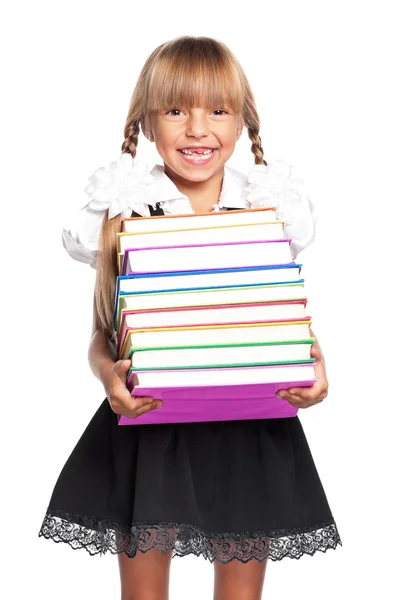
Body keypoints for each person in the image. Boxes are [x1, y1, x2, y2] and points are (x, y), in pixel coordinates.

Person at [38, 35, 341, 600]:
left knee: (240, 594)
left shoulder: (268, 203)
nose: (198, 129)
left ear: (242, 122)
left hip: (250, 426)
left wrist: (315, 366)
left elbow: (277, 316)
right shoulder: (126, 205)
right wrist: (109, 377)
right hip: (153, 426)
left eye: (218, 111)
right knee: (145, 594)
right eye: (176, 110)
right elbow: (104, 334)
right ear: (148, 123)